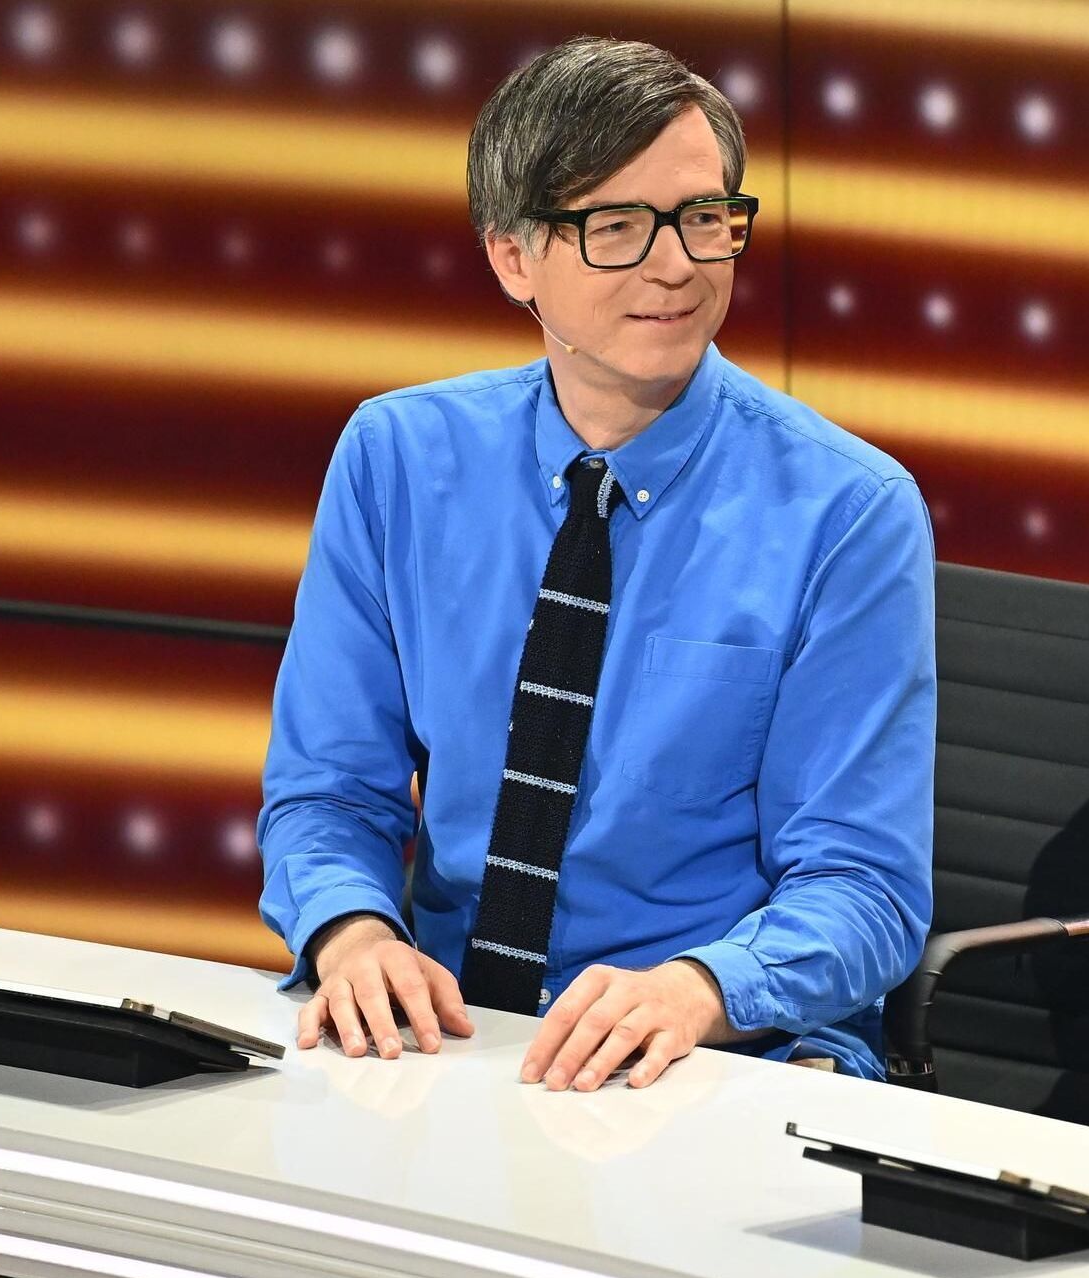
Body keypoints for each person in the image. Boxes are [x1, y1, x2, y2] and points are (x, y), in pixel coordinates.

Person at [256, 37, 935, 1093]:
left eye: (703, 218)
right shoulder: (398, 460)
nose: (677, 265)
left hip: (722, 1047)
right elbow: (328, 791)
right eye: (616, 227)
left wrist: (698, 988)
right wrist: (353, 934)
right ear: (512, 258)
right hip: (454, 1034)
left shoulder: (848, 512)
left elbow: (864, 886)